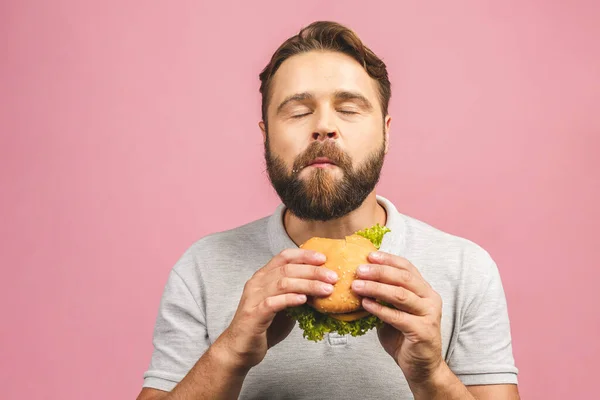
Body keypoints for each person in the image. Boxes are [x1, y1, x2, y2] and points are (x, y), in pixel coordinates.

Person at [136, 20, 520, 400]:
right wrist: (229, 354)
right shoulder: (203, 267)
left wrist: (431, 375)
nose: (324, 126)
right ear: (266, 136)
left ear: (386, 134)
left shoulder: (466, 268)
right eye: (299, 112)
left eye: (349, 109)